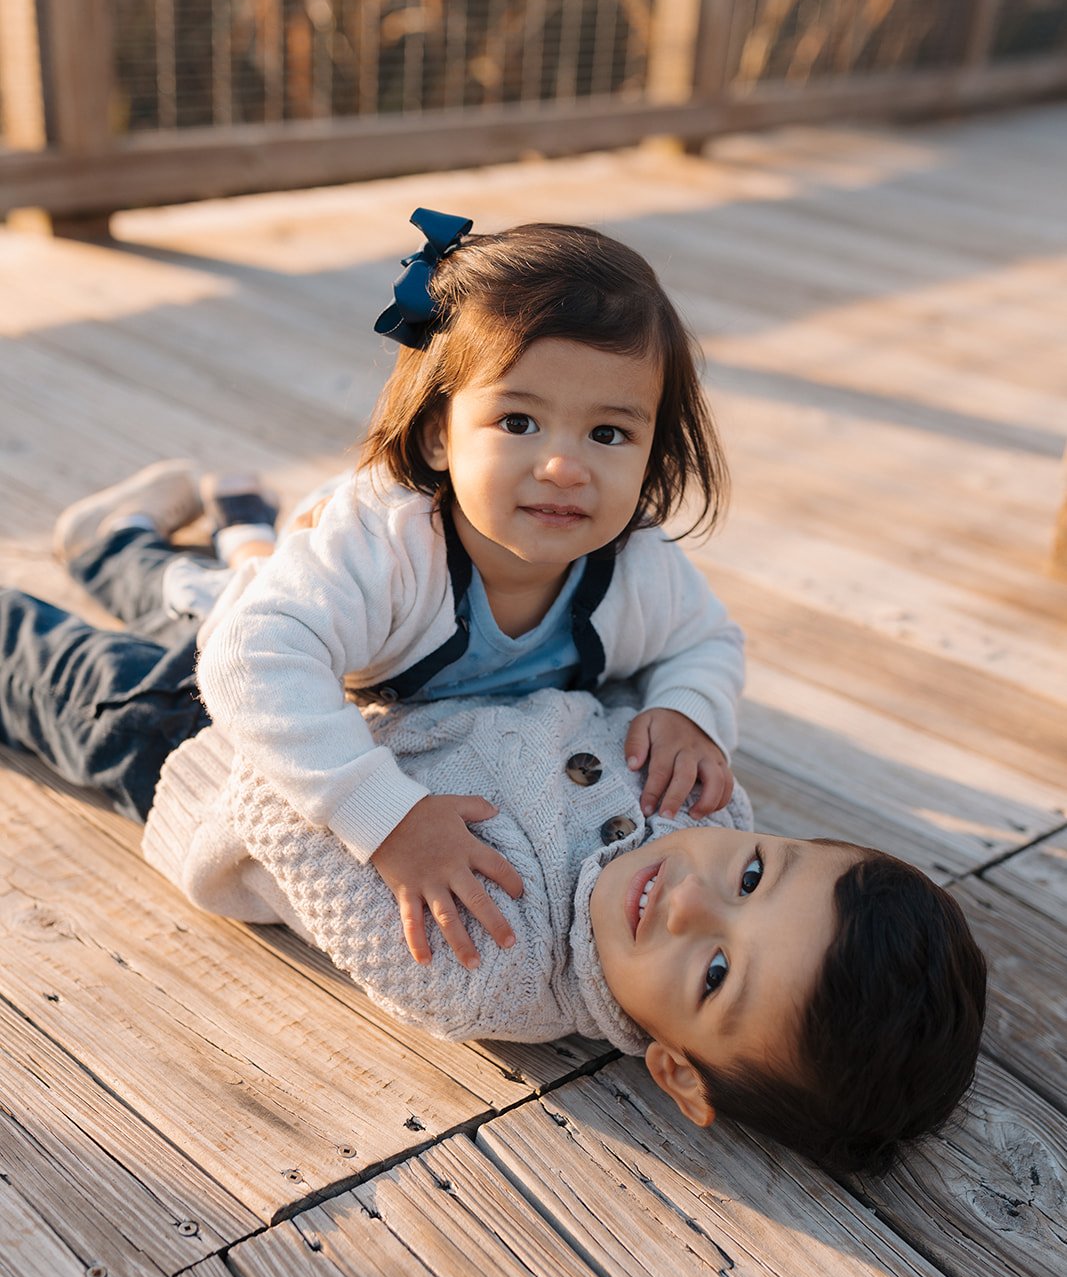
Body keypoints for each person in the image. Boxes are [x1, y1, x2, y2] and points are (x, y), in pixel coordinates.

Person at [0, 484, 986, 1179]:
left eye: (716, 974)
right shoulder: (702, 809)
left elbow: (276, 808)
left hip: (202, 749)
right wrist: (684, 707)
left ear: (678, 1069)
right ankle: (137, 547)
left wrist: (383, 814)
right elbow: (654, 667)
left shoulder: (484, 968)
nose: (690, 897)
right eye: (757, 874)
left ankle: (167, 553)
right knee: (246, 618)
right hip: (383, 684)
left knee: (62, 669)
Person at [191, 210, 747, 973]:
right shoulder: (390, 551)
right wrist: (386, 819)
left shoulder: (636, 564)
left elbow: (705, 639)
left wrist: (688, 708)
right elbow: (249, 659)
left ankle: (243, 523)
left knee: (258, 565)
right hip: (292, 599)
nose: (563, 467)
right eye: (518, 421)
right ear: (438, 436)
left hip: (322, 584)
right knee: (208, 606)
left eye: (608, 434)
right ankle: (139, 540)